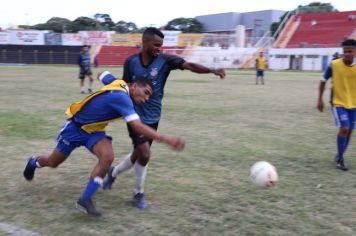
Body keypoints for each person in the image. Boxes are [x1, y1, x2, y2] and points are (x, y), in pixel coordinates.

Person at [23, 71, 185, 216]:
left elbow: (104, 75)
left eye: (149, 96)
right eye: (146, 92)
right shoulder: (122, 97)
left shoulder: (120, 84)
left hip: (94, 131)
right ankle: (33, 162)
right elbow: (136, 125)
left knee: (107, 157)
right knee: (53, 162)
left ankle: (85, 200)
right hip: (75, 129)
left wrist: (100, 75)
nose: (146, 98)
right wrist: (166, 139)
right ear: (134, 86)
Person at [102, 27, 226, 209]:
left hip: (153, 116)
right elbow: (126, 86)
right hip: (134, 115)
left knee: (138, 153)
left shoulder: (165, 60)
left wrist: (212, 70)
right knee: (144, 153)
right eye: (156, 45)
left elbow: (190, 66)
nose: (160, 48)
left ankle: (114, 172)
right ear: (145, 43)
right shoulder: (131, 62)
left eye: (161, 45)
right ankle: (138, 193)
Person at [317, 38, 356, 171]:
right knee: (344, 128)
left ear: (355, 52)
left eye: (349, 51)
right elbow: (322, 81)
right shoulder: (333, 65)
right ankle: (340, 159)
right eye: (344, 51)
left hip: (354, 104)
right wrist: (320, 99)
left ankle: (340, 155)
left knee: (350, 130)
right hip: (338, 103)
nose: (346, 54)